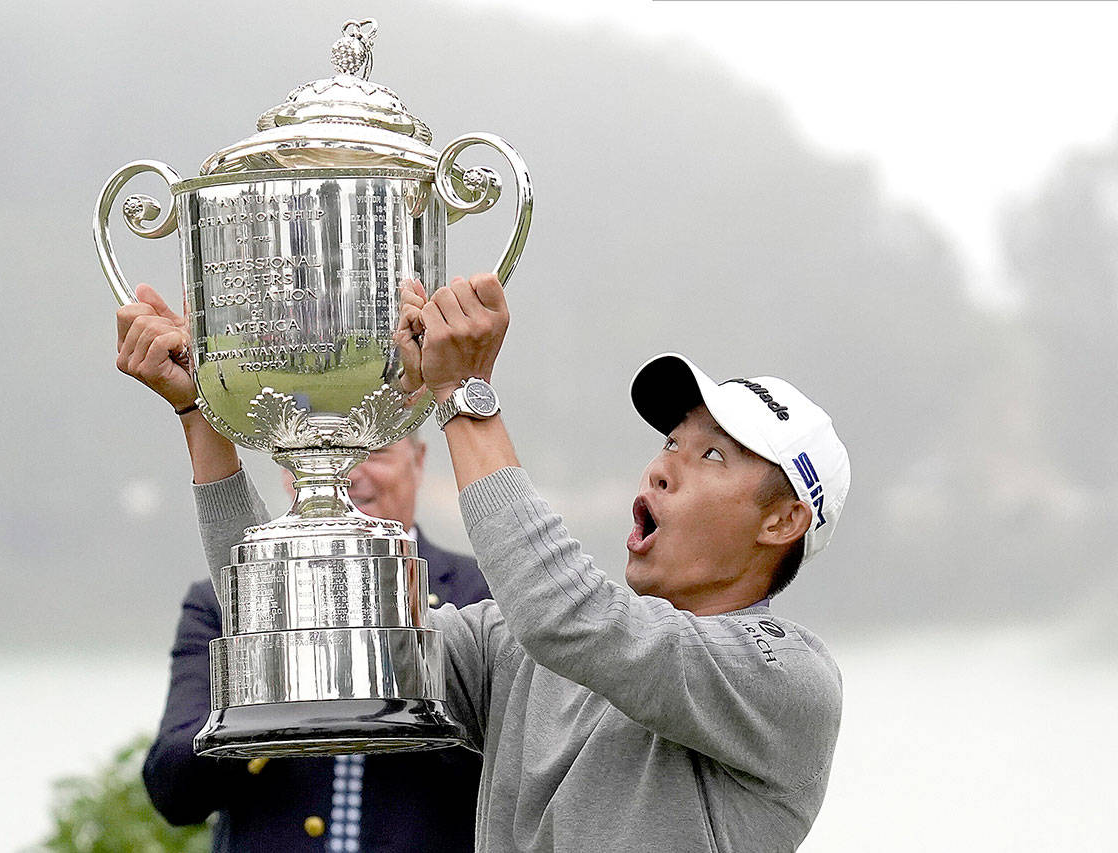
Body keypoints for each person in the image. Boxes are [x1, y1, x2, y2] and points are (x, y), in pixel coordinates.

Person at [119, 272, 852, 852]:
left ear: (784, 520)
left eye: (713, 456)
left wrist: (461, 394)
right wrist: (201, 418)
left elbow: (573, 617)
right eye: (670, 441)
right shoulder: (514, 645)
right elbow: (300, 636)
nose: (661, 469)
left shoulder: (786, 678)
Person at [117, 284, 491, 852]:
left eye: (376, 448)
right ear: (283, 458)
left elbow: (512, 769)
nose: (351, 471)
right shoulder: (218, 599)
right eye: (314, 443)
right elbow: (173, 788)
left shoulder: (479, 594)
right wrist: (280, 687)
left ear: (419, 459)